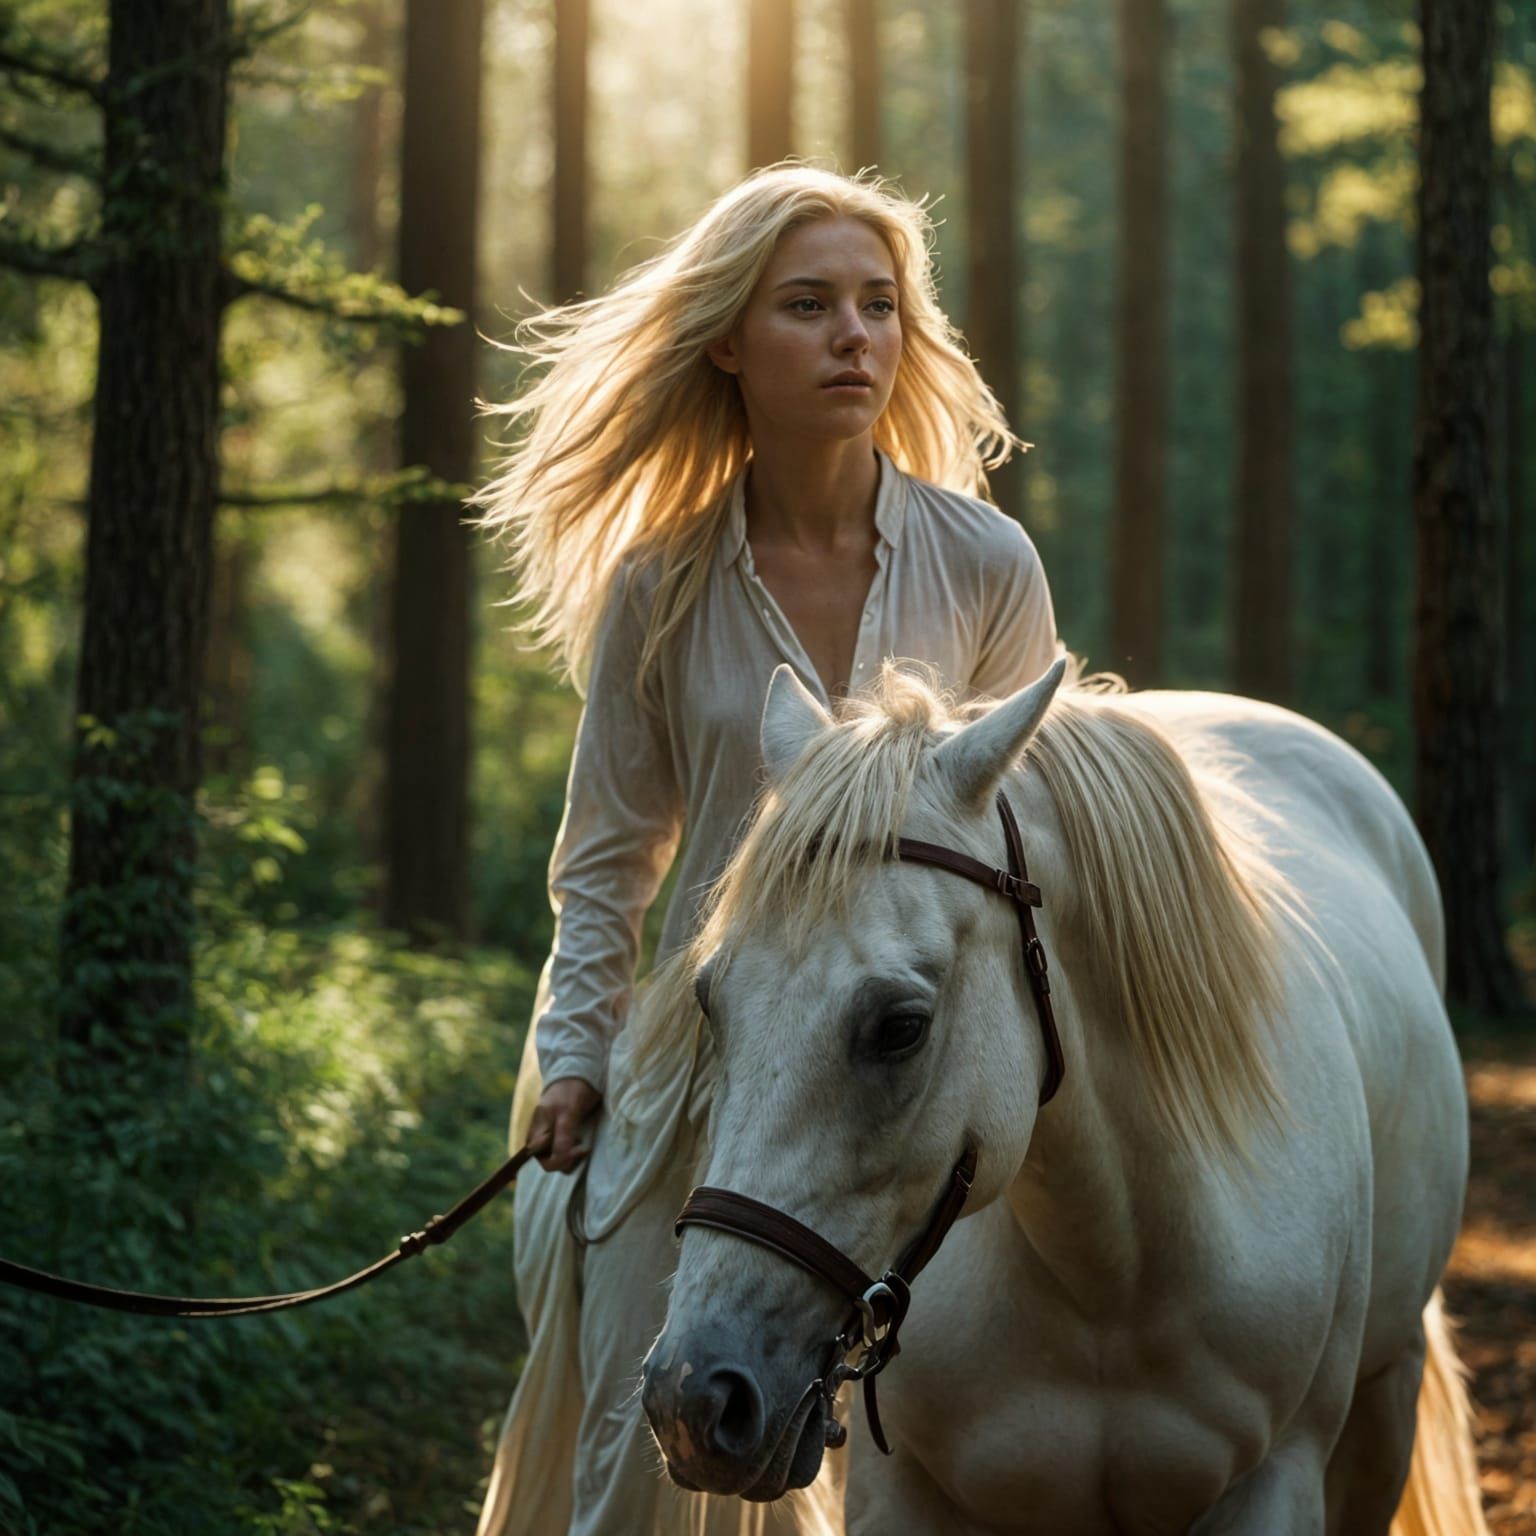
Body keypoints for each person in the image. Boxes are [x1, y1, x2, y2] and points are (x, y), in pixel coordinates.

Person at [469, 162, 1060, 1536]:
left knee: (928, 1452)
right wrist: (574, 1056)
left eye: (878, 304)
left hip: (912, 1067)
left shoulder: (987, 565)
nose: (854, 335)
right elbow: (609, 854)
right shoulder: (660, 584)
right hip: (694, 1058)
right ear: (730, 339)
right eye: (809, 306)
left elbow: (1038, 829)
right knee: (645, 1437)